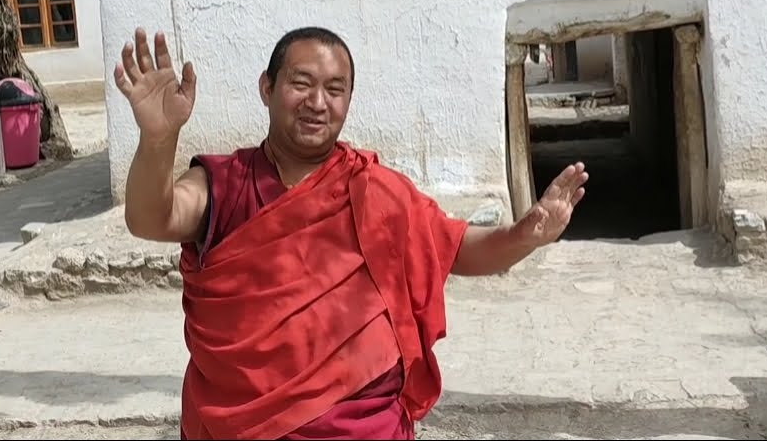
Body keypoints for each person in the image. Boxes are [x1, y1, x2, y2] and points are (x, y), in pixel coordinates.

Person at [115, 26, 589, 441]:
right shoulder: (225, 183)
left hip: (361, 425)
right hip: (239, 424)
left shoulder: (375, 188)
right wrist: (158, 139)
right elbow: (152, 218)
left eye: (335, 89)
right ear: (267, 87)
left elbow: (457, 249)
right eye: (301, 83)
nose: (318, 103)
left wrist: (525, 235)